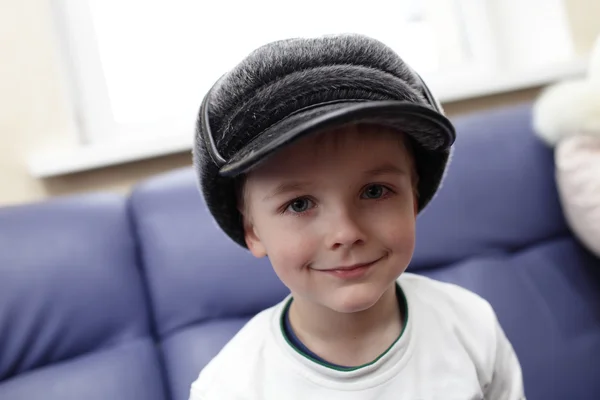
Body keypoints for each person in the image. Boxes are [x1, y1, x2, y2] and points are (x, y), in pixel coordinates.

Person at [189, 33, 525, 399]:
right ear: (252, 229)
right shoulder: (228, 388)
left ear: (413, 197)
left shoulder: (470, 325)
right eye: (300, 204)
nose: (346, 233)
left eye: (375, 191)